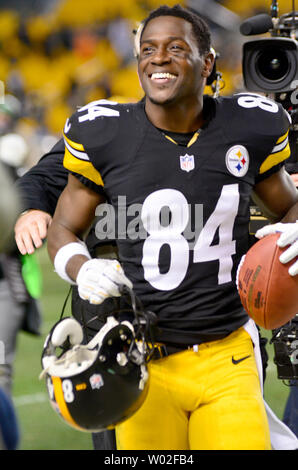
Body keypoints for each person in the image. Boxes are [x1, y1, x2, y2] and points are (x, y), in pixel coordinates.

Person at [45, 4, 298, 450]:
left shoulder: (249, 125)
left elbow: (288, 208)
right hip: (145, 357)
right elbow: (63, 227)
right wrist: (80, 267)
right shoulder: (105, 133)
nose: (157, 58)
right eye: (147, 49)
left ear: (208, 64)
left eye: (175, 48)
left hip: (228, 352)